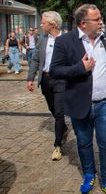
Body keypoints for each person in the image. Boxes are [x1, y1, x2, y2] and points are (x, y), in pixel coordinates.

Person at [50, 4, 106, 194]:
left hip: (105, 102)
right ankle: (89, 174)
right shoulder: (65, 41)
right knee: (84, 142)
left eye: (101, 18)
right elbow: (55, 71)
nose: (101, 22)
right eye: (97, 19)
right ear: (83, 23)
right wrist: (80, 69)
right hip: (80, 102)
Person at [27, 11, 68, 161]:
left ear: (52, 24)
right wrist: (30, 78)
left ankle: (57, 145)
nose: (41, 25)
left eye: (43, 23)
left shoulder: (66, 38)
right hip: (45, 79)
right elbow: (36, 59)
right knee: (52, 109)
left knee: (59, 112)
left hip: (61, 80)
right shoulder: (42, 39)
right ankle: (62, 127)